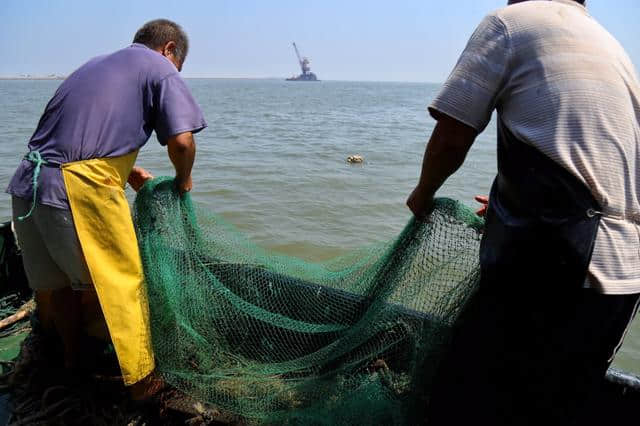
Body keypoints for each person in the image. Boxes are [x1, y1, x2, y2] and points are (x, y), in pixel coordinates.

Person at [406, 0, 640, 424]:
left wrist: (422, 195)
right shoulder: (609, 44)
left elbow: (452, 136)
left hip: (558, 268)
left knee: (463, 401)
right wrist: (515, 207)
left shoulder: (510, 23)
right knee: (557, 406)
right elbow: (597, 169)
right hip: (624, 277)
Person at [6, 19, 207, 395]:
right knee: (123, 284)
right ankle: (143, 383)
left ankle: (72, 362)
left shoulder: (95, 65)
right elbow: (181, 142)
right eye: (177, 65)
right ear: (168, 50)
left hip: (27, 185)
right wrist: (184, 180)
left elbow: (78, 135)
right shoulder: (161, 66)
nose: (174, 71)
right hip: (78, 190)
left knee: (59, 287)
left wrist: (128, 170)